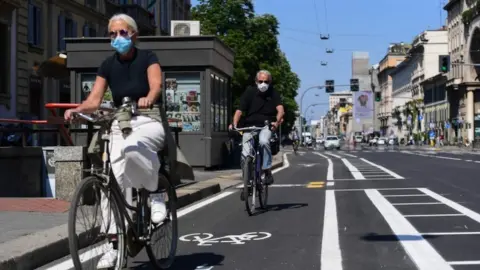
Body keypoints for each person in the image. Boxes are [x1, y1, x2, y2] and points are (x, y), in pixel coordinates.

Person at [64, 14, 167, 268]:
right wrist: (78, 110)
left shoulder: (148, 57)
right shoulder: (107, 65)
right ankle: (114, 244)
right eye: (112, 34)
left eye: (122, 32)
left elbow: (156, 85)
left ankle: (155, 193)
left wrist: (148, 98)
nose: (117, 38)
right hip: (121, 122)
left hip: (148, 120)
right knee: (112, 181)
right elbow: (95, 100)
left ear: (134, 35)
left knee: (134, 148)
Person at [229, 70, 284, 187]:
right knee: (245, 155)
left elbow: (280, 110)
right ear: (256, 81)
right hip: (249, 126)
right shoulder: (249, 92)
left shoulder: (273, 93)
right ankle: (247, 183)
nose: (263, 83)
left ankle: (267, 170)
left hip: (266, 125)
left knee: (264, 142)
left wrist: (276, 122)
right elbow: (239, 110)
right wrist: (234, 124)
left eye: (266, 81)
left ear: (270, 82)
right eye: (261, 81)